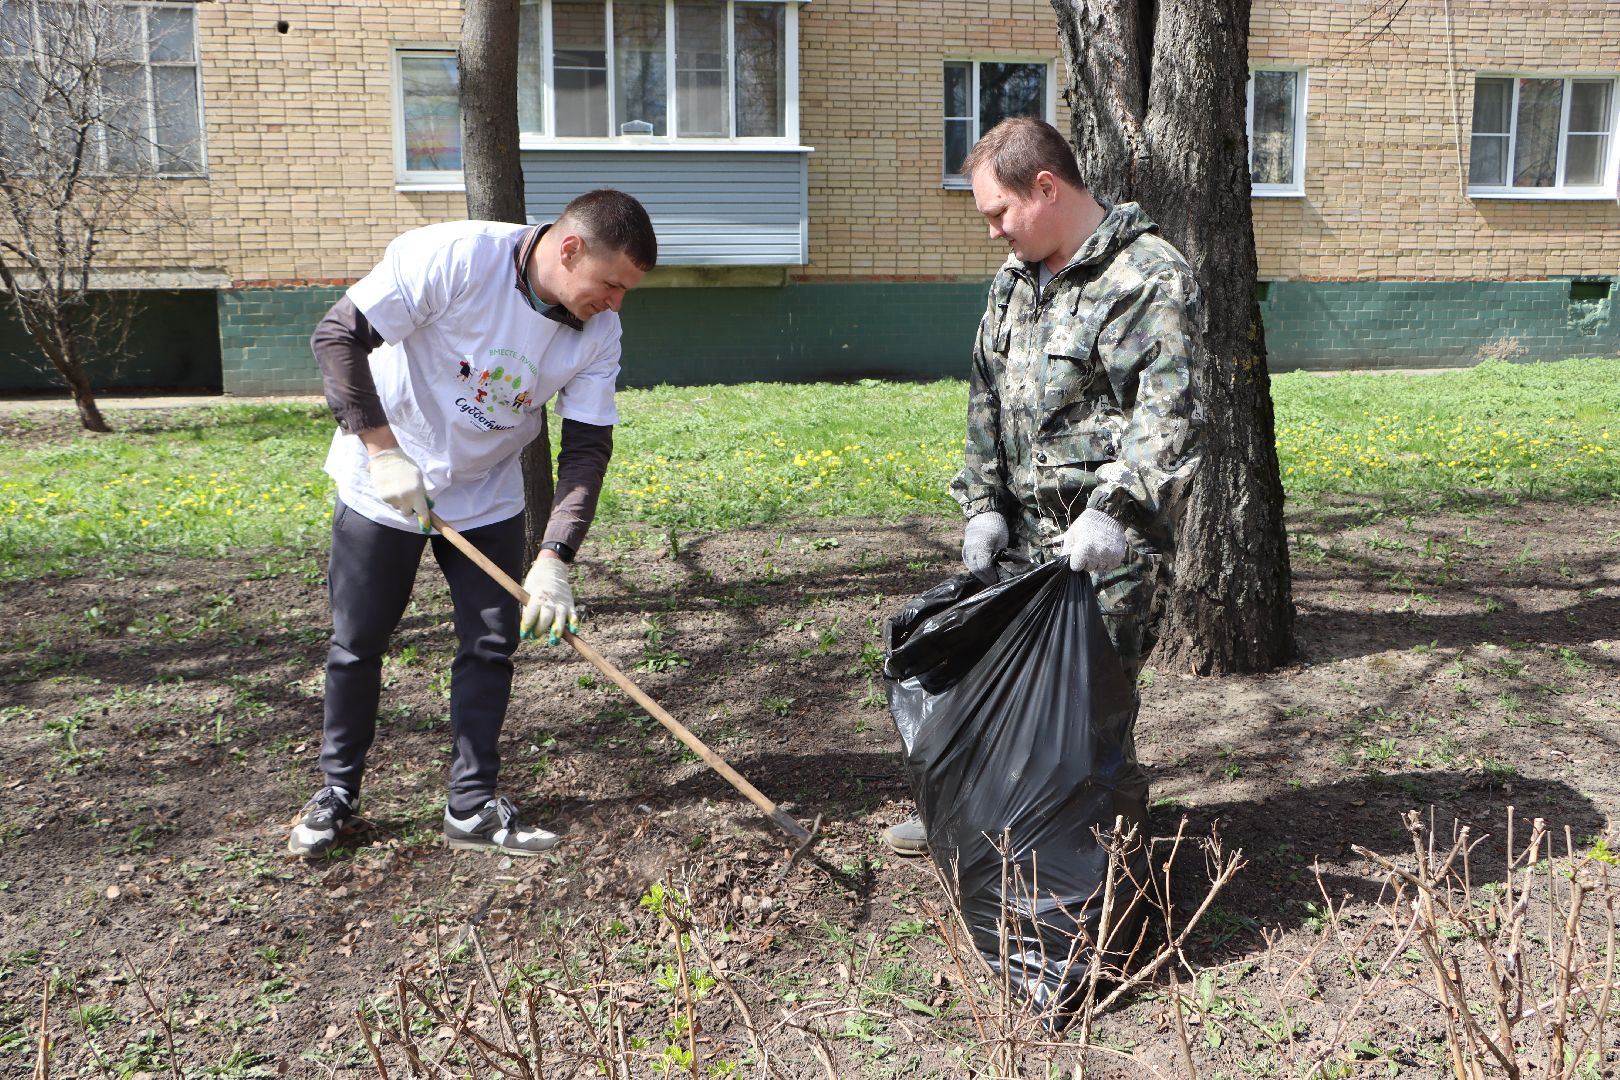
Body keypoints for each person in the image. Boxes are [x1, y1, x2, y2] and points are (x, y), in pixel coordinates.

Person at [288, 190, 657, 859]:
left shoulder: (599, 330)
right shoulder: (454, 257)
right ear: (569, 249)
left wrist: (553, 557)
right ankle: (336, 793)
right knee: (358, 641)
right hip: (387, 482)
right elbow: (338, 336)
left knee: (489, 646)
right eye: (610, 284)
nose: (616, 303)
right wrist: (381, 450)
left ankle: (471, 806)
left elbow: (586, 448)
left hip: (486, 496)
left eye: (627, 291)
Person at [882, 118, 1203, 855]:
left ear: (1046, 189)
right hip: (1023, 547)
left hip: (1106, 553)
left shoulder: (1145, 276)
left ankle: (1086, 884)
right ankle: (983, 836)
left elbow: (1169, 415)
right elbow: (985, 399)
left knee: (1083, 721)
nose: (993, 231)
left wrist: (1112, 511)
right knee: (1001, 695)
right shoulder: (1014, 284)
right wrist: (984, 507)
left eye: (999, 212)